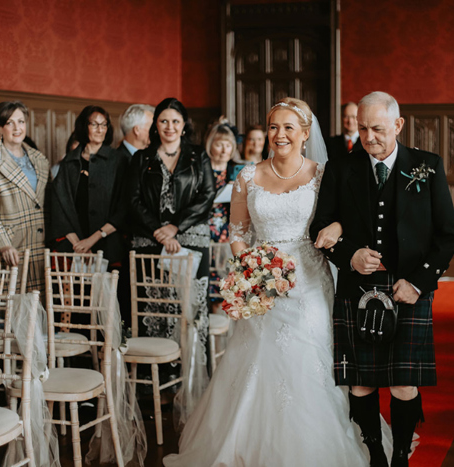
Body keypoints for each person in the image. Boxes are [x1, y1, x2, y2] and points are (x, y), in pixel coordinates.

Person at [163, 97, 368, 467]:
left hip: (309, 283)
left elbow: (342, 220)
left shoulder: (323, 174)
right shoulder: (247, 175)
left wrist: (336, 228)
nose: (279, 134)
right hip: (263, 284)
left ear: (305, 134)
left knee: (308, 361)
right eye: (274, 127)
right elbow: (238, 231)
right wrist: (252, 268)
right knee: (257, 360)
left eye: (289, 127)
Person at [310, 91, 454, 466]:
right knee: (360, 382)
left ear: (398, 125)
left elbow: (448, 235)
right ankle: (375, 452)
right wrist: (349, 255)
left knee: (403, 383)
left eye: (377, 128)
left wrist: (419, 282)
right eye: (362, 129)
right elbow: (320, 227)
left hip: (408, 287)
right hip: (356, 287)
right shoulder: (341, 168)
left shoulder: (427, 165)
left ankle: (401, 457)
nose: (369, 136)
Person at [127, 97, 216, 279]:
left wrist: (176, 227)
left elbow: (208, 195)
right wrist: (160, 232)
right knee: (153, 303)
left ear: (184, 125)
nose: (170, 127)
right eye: (163, 121)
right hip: (151, 237)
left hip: (191, 235)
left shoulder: (199, 156)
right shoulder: (141, 158)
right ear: (156, 125)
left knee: (189, 303)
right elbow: (132, 200)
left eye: (175, 121)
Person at [0, 101, 50, 292]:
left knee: (41, 313)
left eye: (21, 121)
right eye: (10, 123)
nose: (17, 128)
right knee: (15, 314)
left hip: (41, 248)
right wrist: (3, 245)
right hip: (12, 251)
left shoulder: (39, 159)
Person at [47, 105, 128, 266]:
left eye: (104, 124)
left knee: (110, 291)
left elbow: (124, 207)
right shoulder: (70, 161)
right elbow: (58, 207)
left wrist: (92, 240)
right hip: (73, 247)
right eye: (94, 124)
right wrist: (79, 245)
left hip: (108, 245)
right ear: (84, 126)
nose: (100, 129)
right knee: (75, 291)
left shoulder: (118, 160)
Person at [205, 119, 241, 304]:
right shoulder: (202, 169)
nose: (224, 149)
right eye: (220, 144)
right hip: (205, 226)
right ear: (211, 144)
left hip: (227, 229)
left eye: (228, 145)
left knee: (224, 275)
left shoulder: (235, 171)